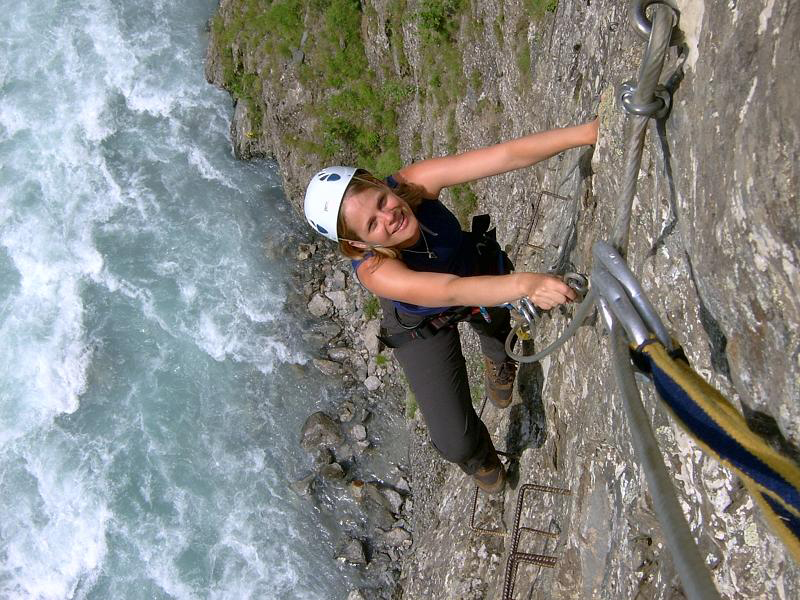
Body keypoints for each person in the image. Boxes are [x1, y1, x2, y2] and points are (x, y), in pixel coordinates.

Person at [303, 120, 598, 493]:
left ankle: (499, 357)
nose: (389, 216)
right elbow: (450, 291)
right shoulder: (377, 271)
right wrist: (526, 284)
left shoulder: (413, 184)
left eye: (381, 200)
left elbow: (504, 155)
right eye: (372, 225)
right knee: (452, 440)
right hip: (423, 322)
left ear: (382, 184)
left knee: (495, 323)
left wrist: (587, 133)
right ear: (360, 245)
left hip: (467, 271)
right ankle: (480, 458)